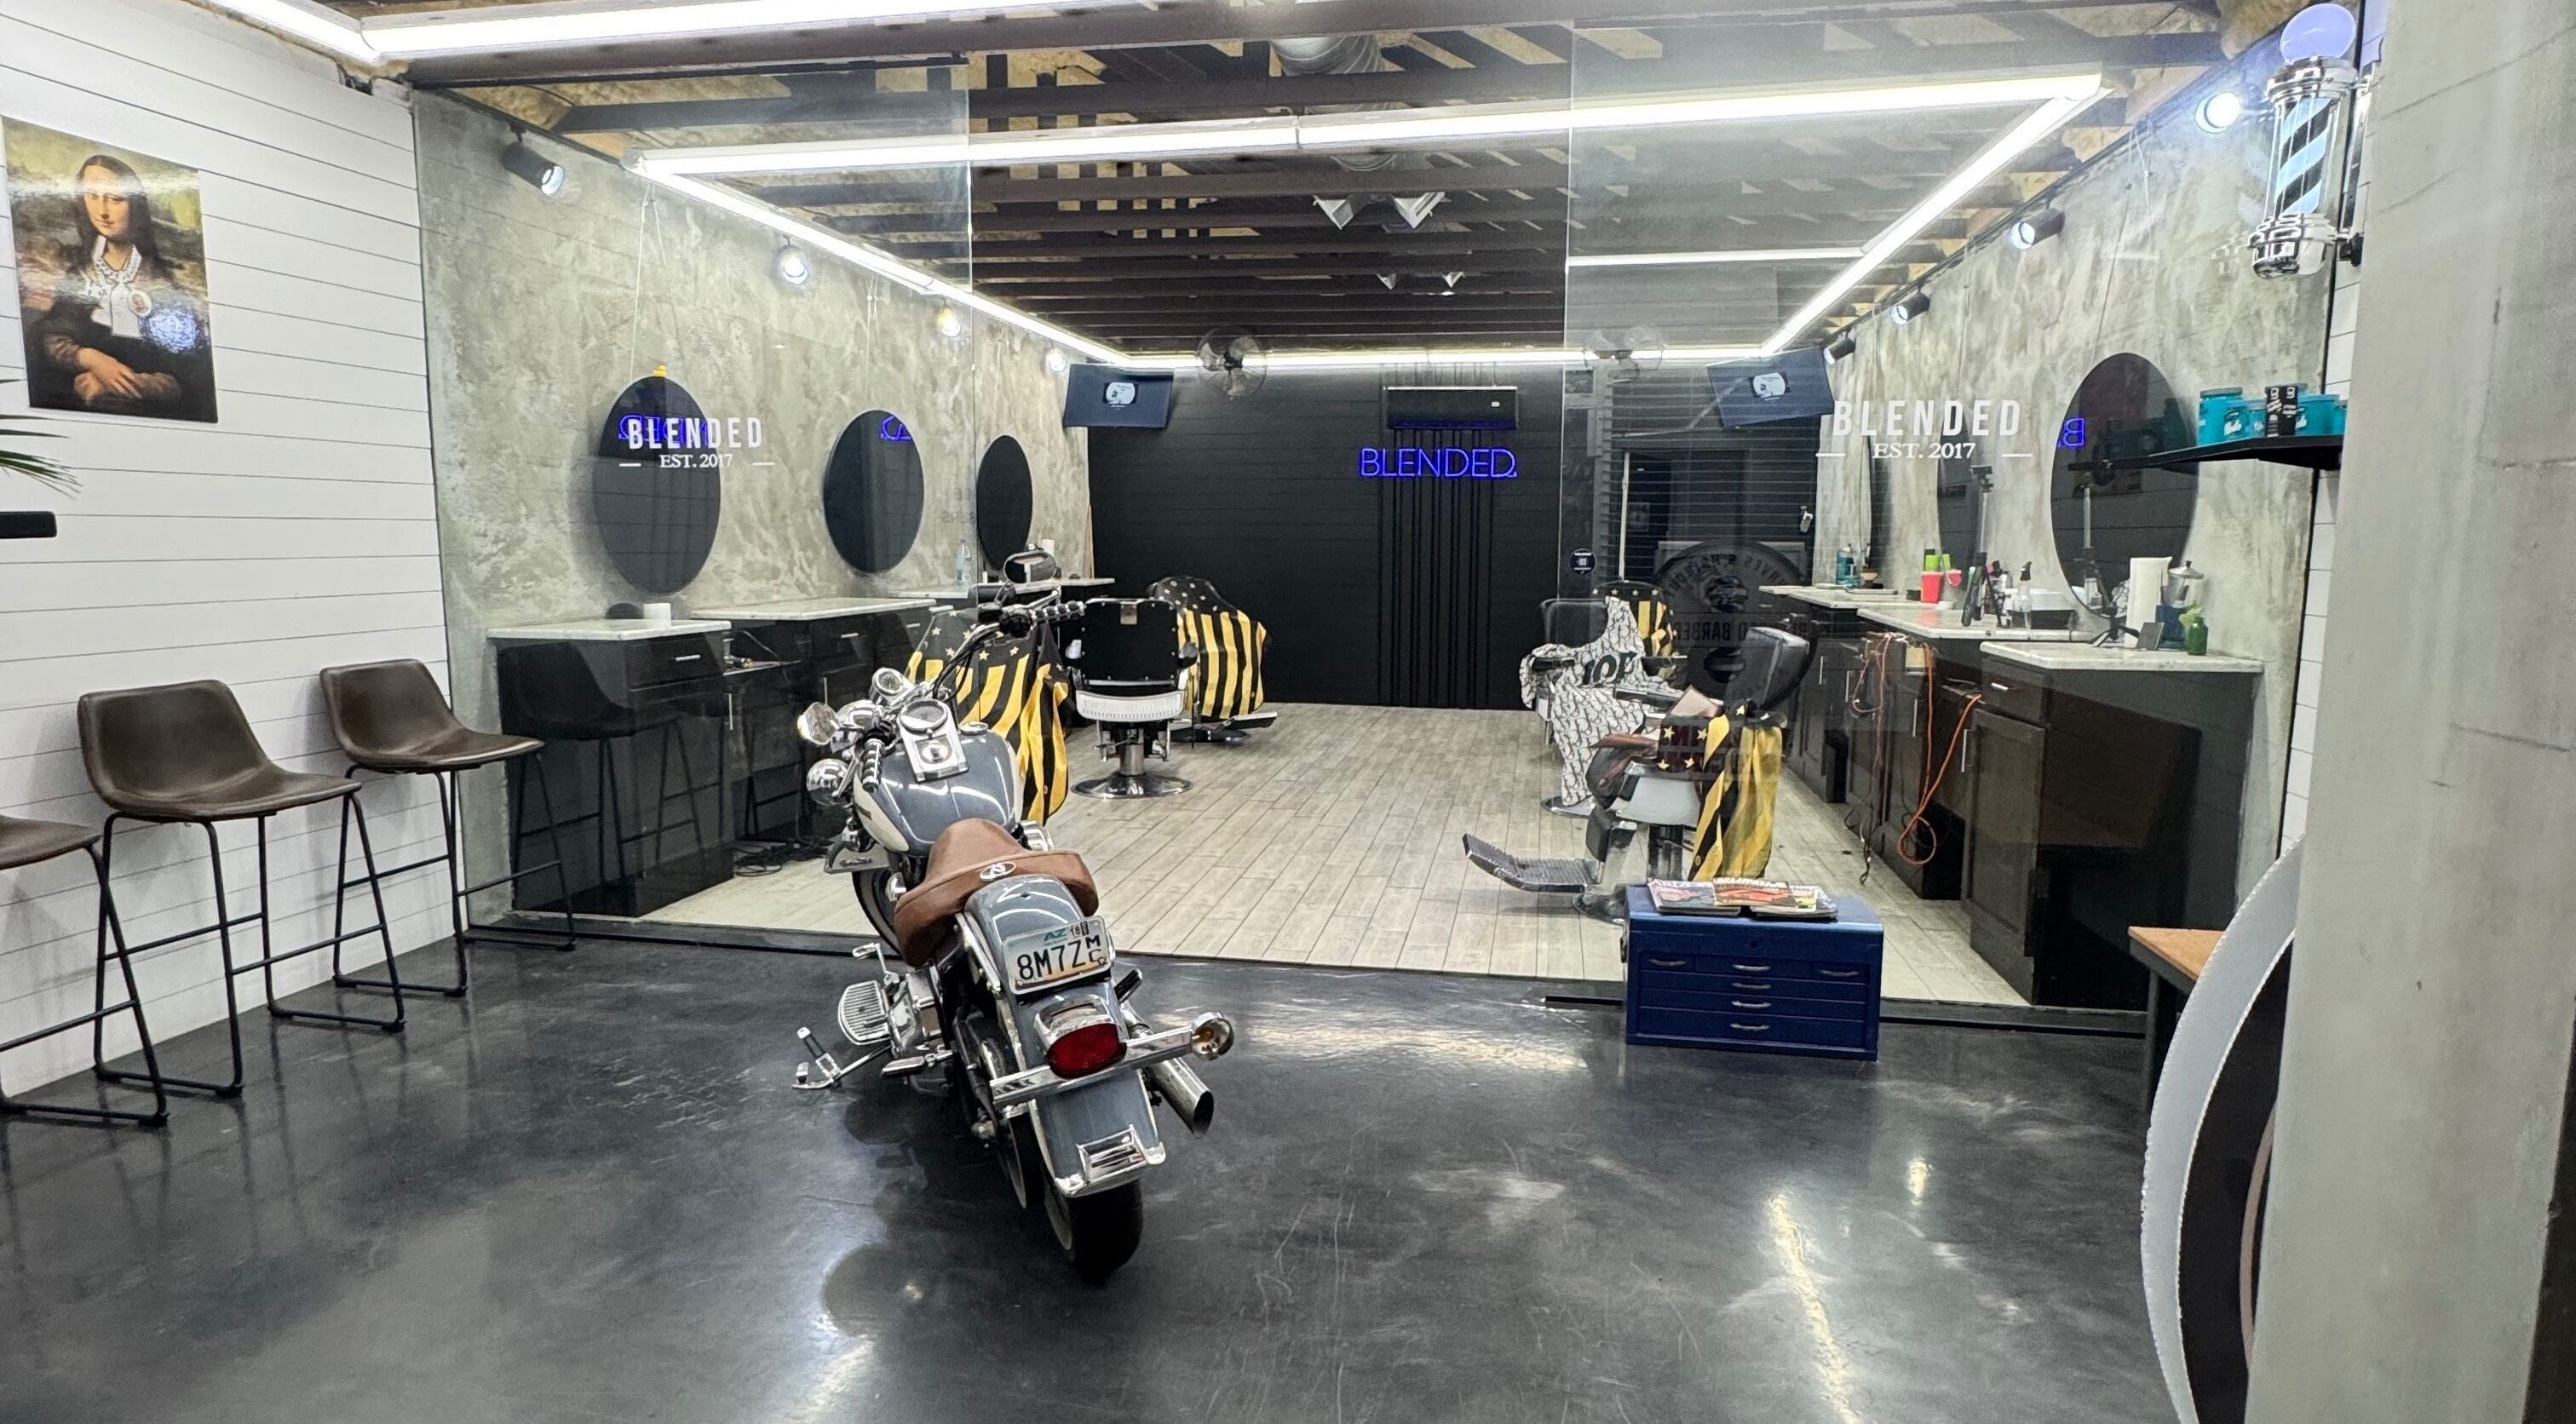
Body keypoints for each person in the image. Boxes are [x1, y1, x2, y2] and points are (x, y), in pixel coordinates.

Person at [21, 153, 215, 422]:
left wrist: (129, 385)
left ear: (134, 205)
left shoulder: (163, 286)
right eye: (92, 196)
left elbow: (191, 377)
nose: (102, 211)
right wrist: (90, 358)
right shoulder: (79, 273)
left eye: (115, 199)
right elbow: (47, 340)